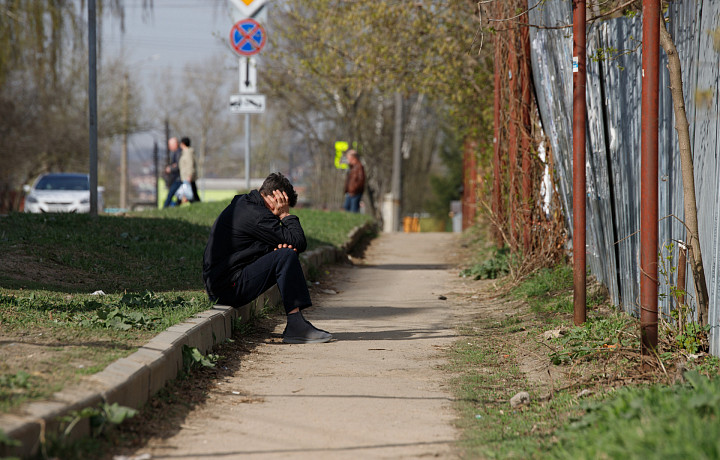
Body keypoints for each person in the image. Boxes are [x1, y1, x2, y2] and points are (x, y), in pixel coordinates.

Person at [202, 172, 333, 344]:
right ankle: (296, 326)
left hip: (223, 283)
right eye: (284, 203)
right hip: (228, 287)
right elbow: (298, 242)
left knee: (283, 253)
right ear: (277, 197)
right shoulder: (256, 215)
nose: (282, 208)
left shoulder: (247, 205)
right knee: (286, 255)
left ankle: (297, 324)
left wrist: (275, 248)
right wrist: (285, 216)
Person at [163, 137, 182, 208]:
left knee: (171, 194)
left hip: (178, 178)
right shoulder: (175, 153)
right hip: (176, 177)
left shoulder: (178, 153)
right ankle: (174, 206)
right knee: (178, 195)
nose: (169, 146)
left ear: (175, 144)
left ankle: (165, 207)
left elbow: (178, 165)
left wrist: (170, 168)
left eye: (170, 144)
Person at [176, 137, 197, 204]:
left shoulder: (187, 153)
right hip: (186, 176)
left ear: (183, 144)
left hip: (187, 177)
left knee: (190, 194)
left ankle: (176, 205)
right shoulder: (185, 152)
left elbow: (189, 165)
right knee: (191, 193)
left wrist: (189, 176)